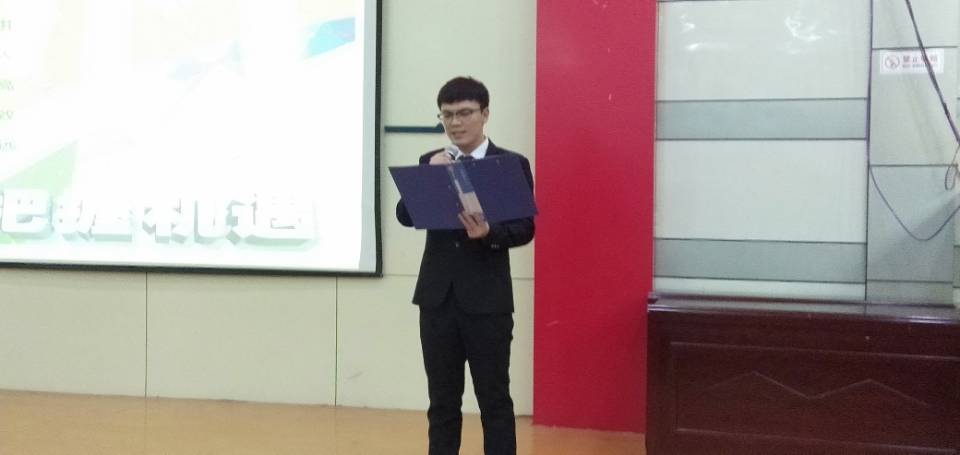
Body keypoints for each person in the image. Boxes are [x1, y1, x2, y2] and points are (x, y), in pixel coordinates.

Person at [396, 76, 535, 455]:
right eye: (447, 115)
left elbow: (524, 229)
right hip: (437, 299)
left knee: (494, 399)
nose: (455, 123)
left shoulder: (509, 164)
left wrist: (489, 232)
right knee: (442, 401)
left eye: (464, 113)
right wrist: (429, 176)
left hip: (487, 301)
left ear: (485, 114)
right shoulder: (432, 161)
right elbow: (405, 215)